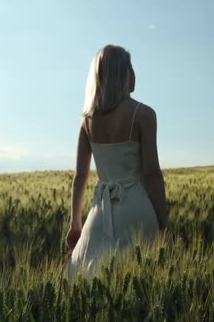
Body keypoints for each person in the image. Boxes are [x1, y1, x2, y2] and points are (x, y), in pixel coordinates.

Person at [65, 44, 169, 280]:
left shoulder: (88, 121)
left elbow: (80, 176)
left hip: (101, 211)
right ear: (123, 73)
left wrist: (75, 223)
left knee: (87, 279)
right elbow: (152, 173)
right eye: (130, 67)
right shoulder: (143, 114)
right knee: (142, 281)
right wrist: (163, 223)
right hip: (137, 210)